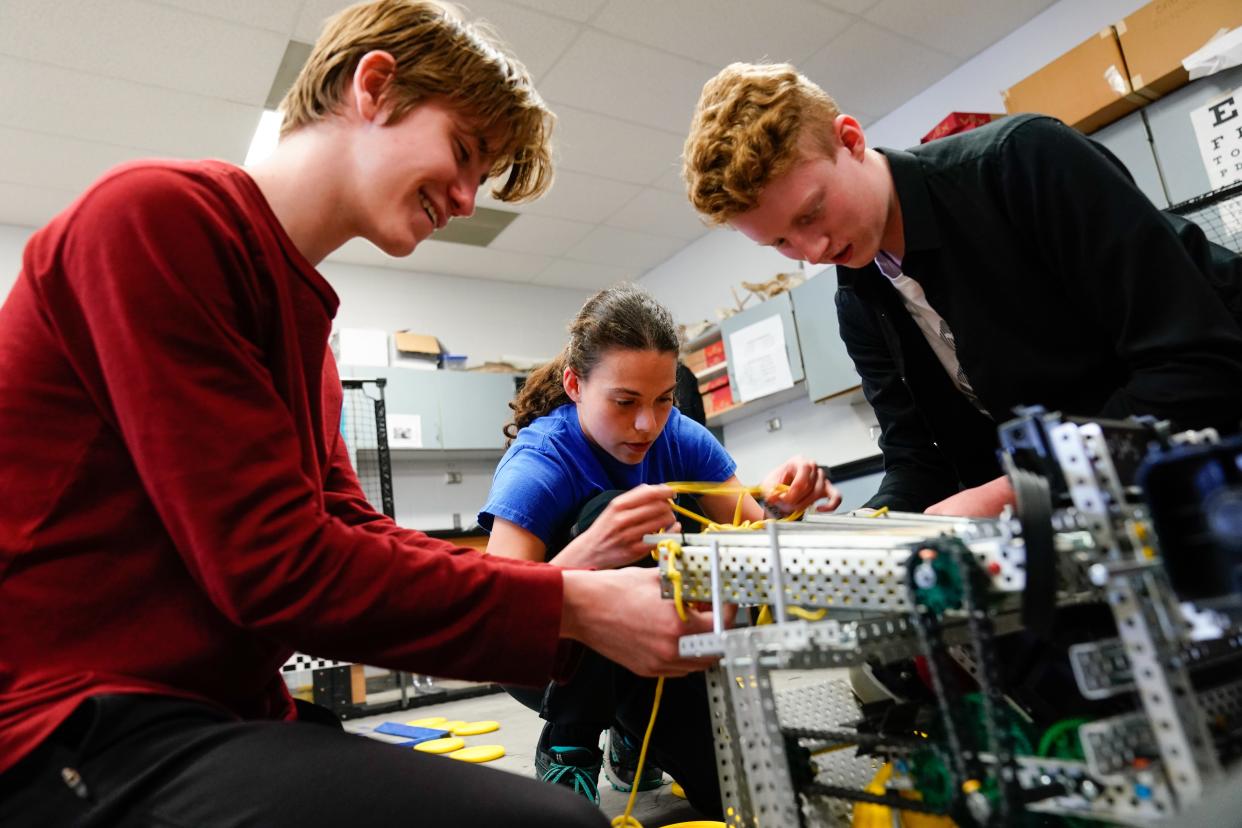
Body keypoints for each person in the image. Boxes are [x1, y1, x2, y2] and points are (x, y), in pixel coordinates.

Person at [0, 4, 721, 827]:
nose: (462, 197)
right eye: (461, 152)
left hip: (215, 707)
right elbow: (275, 567)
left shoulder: (309, 345)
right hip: (68, 728)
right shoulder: (158, 220)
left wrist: (560, 586)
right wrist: (573, 604)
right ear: (372, 86)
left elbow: (347, 529)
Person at [682, 62, 1242, 518]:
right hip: (1103, 512)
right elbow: (919, 461)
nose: (814, 248)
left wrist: (1012, 492)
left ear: (849, 140)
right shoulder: (860, 302)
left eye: (812, 212)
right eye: (781, 242)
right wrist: (869, 529)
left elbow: (1197, 365)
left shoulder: (1021, 164)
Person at [478, 283, 840, 814]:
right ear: (575, 385)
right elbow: (494, 617)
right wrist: (592, 554)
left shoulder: (682, 436)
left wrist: (787, 505)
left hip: (653, 653)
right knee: (609, 512)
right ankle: (570, 741)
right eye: (624, 402)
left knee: (764, 787)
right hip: (548, 663)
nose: (648, 423)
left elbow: (753, 537)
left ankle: (630, 734)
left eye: (664, 399)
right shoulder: (540, 459)